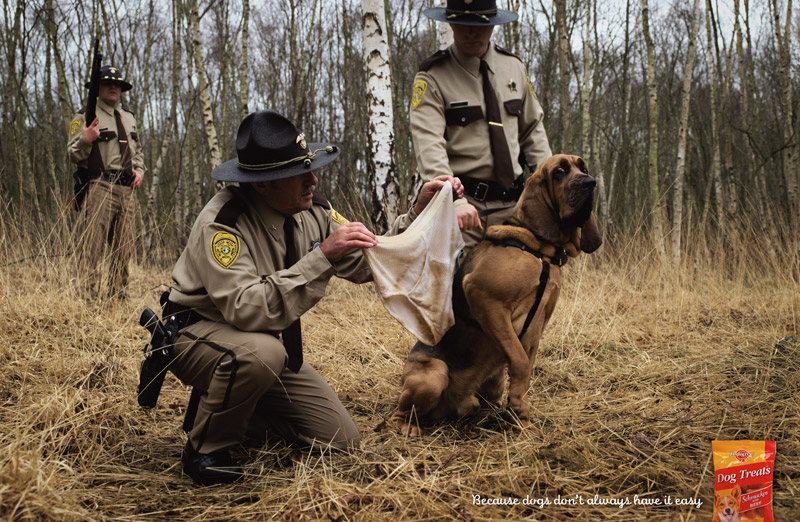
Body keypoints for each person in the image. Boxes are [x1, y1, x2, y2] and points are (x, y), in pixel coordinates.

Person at [164, 110, 464, 485]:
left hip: (257, 348)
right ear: (263, 185)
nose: (313, 180)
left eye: (311, 168)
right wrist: (321, 257)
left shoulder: (313, 209)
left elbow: (370, 260)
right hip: (197, 335)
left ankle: (229, 408)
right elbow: (246, 310)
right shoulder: (223, 223)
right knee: (263, 354)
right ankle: (205, 448)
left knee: (339, 439)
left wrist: (419, 213)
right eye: (299, 174)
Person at [410, 0, 552, 255]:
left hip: (515, 208)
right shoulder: (433, 76)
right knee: (455, 279)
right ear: (450, 24)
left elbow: (533, 132)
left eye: (479, 25)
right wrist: (453, 202)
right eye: (463, 24)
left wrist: (551, 187)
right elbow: (429, 145)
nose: (471, 32)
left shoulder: (514, 67)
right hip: (465, 209)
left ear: (493, 24)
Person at [67, 65, 145, 299]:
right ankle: (87, 297)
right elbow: (72, 154)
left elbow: (138, 150)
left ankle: (118, 295)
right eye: (107, 83)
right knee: (92, 245)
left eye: (117, 84)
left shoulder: (128, 117)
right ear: (97, 87)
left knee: (124, 247)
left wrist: (139, 171)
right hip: (100, 186)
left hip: (127, 190)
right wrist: (85, 140)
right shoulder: (86, 115)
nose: (113, 87)